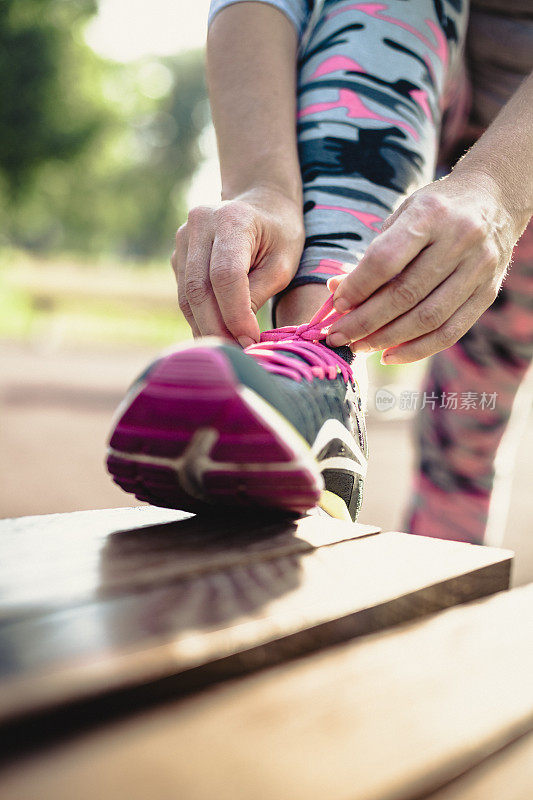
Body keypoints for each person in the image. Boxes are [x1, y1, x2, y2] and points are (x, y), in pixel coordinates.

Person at [107, 0, 532, 537]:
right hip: (403, 83)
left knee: (465, 442)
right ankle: (319, 371)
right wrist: (260, 183)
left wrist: (498, 191)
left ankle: (450, 613)